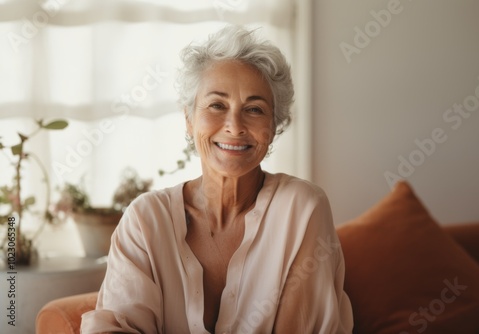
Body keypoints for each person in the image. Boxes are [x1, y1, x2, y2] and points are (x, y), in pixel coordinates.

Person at [81, 25, 353, 334]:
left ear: (274, 127)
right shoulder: (145, 220)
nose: (234, 127)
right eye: (217, 105)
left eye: (254, 109)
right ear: (189, 118)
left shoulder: (302, 208)